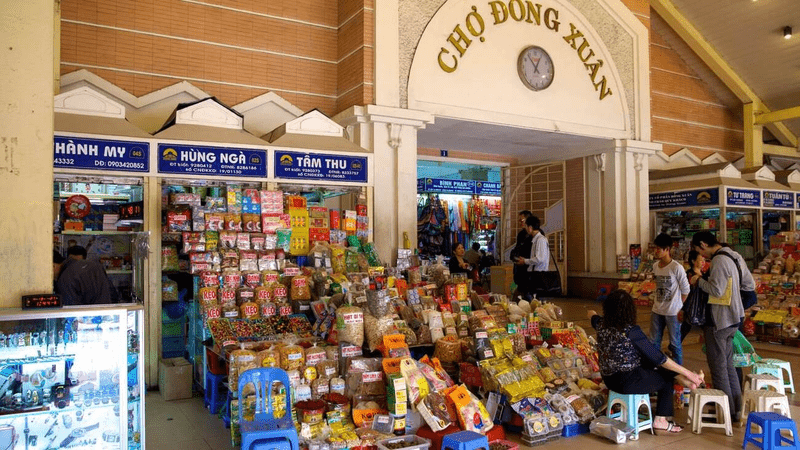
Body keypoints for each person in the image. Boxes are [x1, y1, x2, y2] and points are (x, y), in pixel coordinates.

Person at [588, 290, 704, 434]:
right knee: (665, 376)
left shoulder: (601, 325)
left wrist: (593, 312)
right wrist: (687, 372)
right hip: (627, 382)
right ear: (630, 310)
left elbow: (591, 314)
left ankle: (684, 380)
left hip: (610, 380)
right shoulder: (631, 331)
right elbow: (660, 359)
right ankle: (660, 420)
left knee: (650, 362)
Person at [690, 231, 754, 423]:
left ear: (703, 244)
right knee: (728, 366)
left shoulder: (719, 260)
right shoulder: (734, 255)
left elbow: (716, 290)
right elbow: (749, 283)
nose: (701, 255)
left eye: (698, 250)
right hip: (734, 319)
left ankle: (723, 412)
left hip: (720, 320)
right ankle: (735, 410)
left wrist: (698, 281)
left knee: (718, 369)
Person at [650, 233, 690, 365]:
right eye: (655, 248)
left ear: (667, 249)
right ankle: (655, 369)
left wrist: (678, 306)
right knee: (654, 342)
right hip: (657, 310)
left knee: (675, 344)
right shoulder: (655, 266)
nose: (656, 251)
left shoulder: (676, 268)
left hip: (672, 313)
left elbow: (686, 290)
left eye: (659, 249)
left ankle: (679, 372)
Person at [55, 246, 119, 305]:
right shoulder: (96, 266)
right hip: (105, 312)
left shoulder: (65, 276)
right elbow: (113, 295)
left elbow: (70, 306)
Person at [514, 215, 548, 299]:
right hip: (534, 275)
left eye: (526, 226)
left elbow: (540, 259)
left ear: (530, 227)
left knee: (533, 300)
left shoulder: (540, 240)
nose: (525, 228)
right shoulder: (536, 239)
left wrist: (525, 261)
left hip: (537, 276)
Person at [680, 250, 708, 342]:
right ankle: (673, 347)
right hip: (691, 305)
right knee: (686, 326)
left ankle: (673, 346)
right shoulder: (689, 274)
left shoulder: (704, 274)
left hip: (701, 305)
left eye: (703, 260)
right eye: (700, 260)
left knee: (687, 326)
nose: (703, 262)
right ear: (693, 261)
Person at [510, 210, 532, 296]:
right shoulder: (521, 234)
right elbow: (518, 248)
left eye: (521, 220)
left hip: (529, 273)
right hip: (520, 271)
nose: (520, 223)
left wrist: (525, 260)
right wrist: (514, 256)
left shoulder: (537, 236)